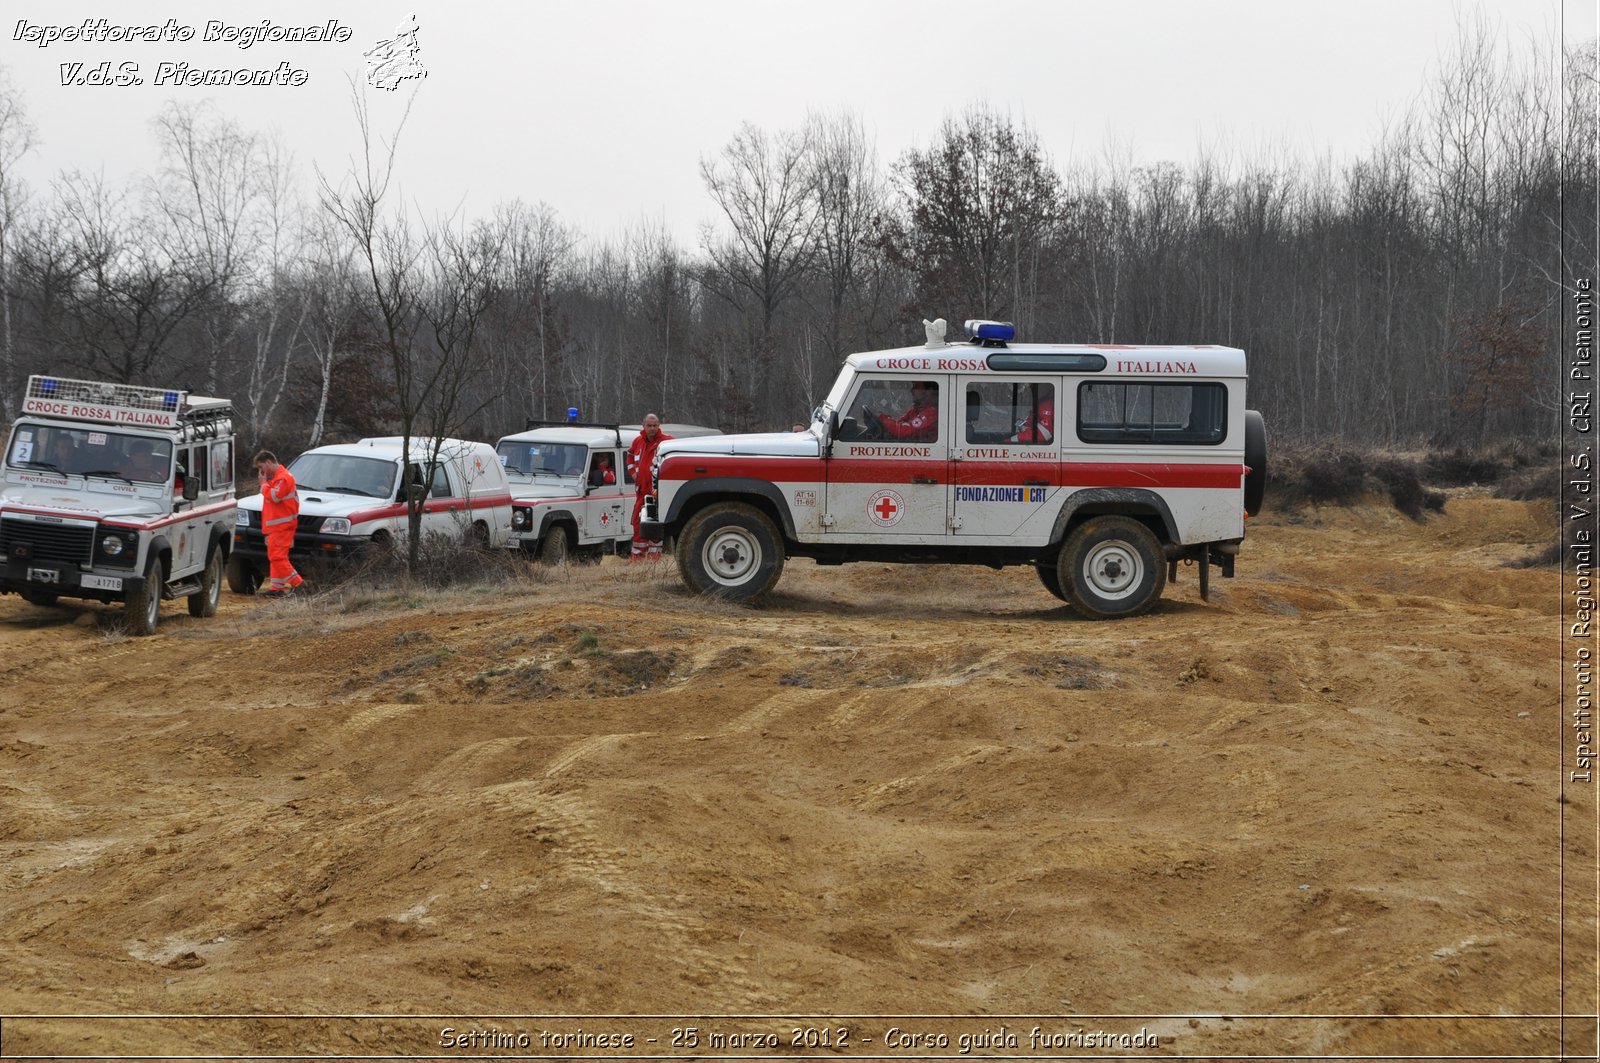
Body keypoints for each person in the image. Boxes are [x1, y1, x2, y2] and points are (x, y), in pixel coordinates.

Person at [254, 450, 305, 597]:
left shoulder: (283, 478)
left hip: (283, 525)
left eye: (261, 467)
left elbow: (275, 496)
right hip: (277, 525)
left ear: (269, 462)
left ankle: (299, 584)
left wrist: (263, 485)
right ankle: (277, 588)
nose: (261, 472)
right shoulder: (277, 478)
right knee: (275, 557)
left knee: (277, 557)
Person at [626, 414, 672, 561]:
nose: (652, 428)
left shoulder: (667, 442)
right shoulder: (638, 441)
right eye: (649, 425)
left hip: (658, 494)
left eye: (655, 425)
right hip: (641, 493)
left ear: (659, 426)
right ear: (643, 426)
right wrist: (633, 473)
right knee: (638, 524)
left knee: (655, 526)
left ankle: (654, 559)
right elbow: (630, 456)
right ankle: (637, 559)